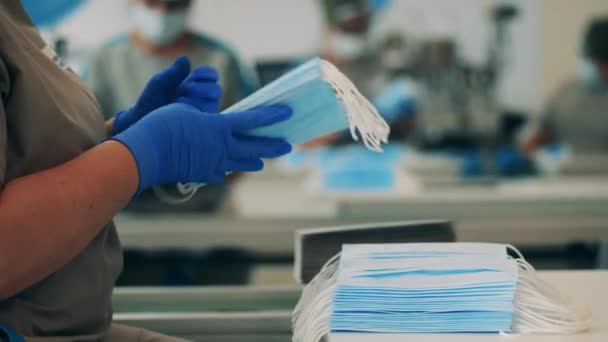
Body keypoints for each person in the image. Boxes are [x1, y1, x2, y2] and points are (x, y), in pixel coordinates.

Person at [0, 1, 292, 340]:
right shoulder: (105, 55)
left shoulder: (13, 19)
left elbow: (29, 155)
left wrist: (118, 134)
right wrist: (141, 153)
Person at [85, 0, 257, 211]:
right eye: (151, 3)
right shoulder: (105, 59)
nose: (161, 14)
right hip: (122, 213)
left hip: (206, 211)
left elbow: (246, 137)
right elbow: (86, 142)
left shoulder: (220, 58)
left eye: (174, 5)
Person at [522, 17, 608, 155]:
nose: (602, 70)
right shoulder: (567, 93)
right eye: (599, 62)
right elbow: (539, 136)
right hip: (569, 172)